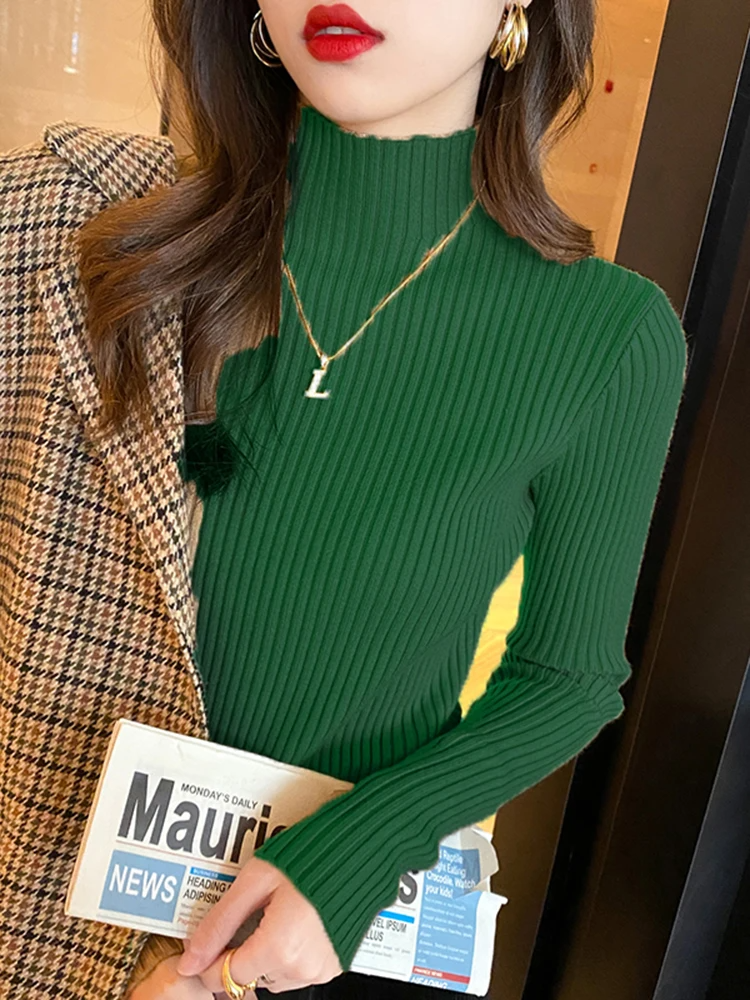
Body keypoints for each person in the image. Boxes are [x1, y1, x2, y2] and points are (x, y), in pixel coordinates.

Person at [0, 0, 689, 998]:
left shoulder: (605, 335)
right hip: (43, 901)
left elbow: (566, 676)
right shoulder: (95, 240)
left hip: (325, 934)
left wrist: (359, 850)